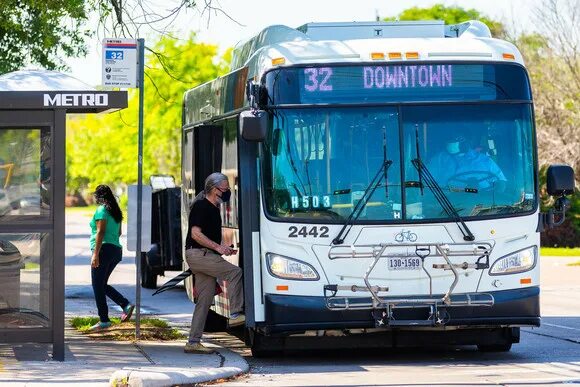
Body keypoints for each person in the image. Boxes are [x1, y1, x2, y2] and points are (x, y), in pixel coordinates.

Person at [184, 173, 243, 354]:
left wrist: (224, 248)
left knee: (204, 300)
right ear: (213, 190)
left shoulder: (212, 208)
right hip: (199, 255)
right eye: (224, 189)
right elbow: (195, 234)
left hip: (202, 255)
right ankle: (236, 313)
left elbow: (207, 238)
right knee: (235, 273)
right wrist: (218, 248)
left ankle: (193, 342)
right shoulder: (202, 206)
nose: (226, 193)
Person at [89, 185, 134, 331]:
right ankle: (125, 305)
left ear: (99, 197)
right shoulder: (116, 212)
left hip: (104, 250)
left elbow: (100, 232)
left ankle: (104, 320)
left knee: (97, 286)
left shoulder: (102, 210)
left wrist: (96, 254)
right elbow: (119, 232)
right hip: (115, 250)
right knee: (102, 284)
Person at [428, 134, 506, 190]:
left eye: (454, 139)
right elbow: (426, 183)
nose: (450, 142)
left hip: (483, 201)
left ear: (465, 142)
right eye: (450, 140)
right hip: (447, 202)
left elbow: (501, 182)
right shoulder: (440, 159)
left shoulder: (485, 160)